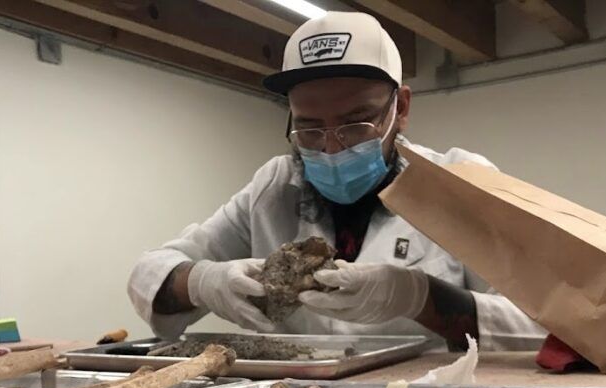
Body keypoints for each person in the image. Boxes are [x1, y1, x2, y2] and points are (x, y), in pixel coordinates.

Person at [128, 11, 546, 352]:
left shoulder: (458, 183)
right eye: (310, 128)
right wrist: (202, 282)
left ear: (400, 108)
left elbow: (546, 326)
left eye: (355, 124)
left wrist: (419, 297)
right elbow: (150, 273)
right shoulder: (274, 187)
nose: (330, 148)